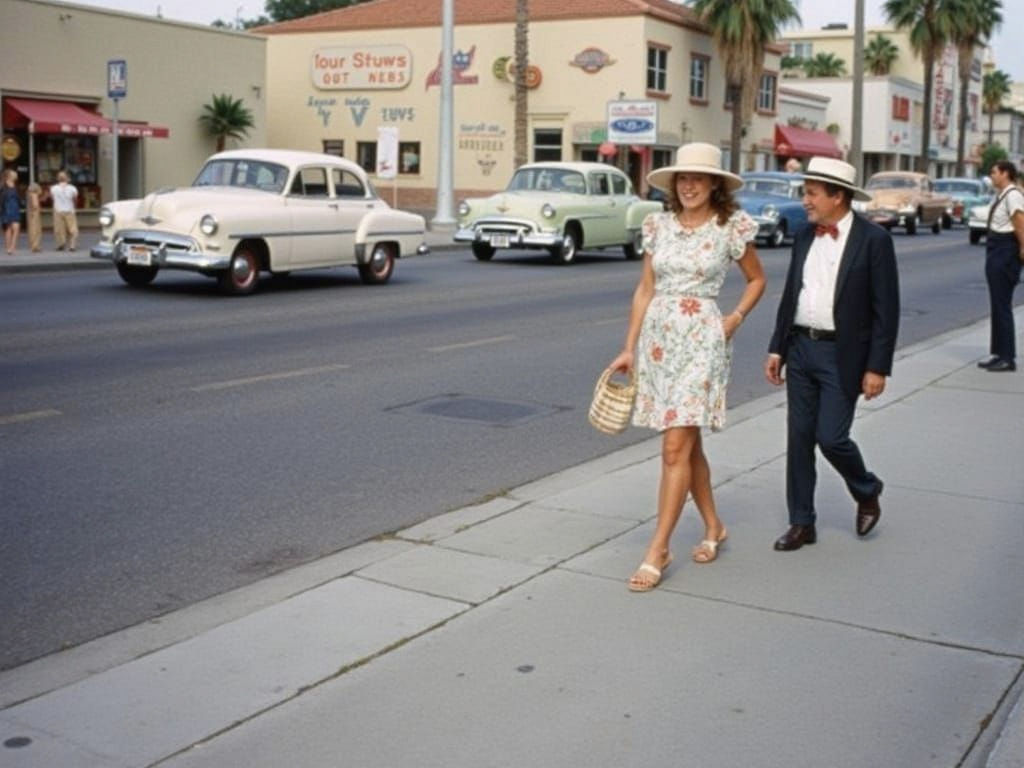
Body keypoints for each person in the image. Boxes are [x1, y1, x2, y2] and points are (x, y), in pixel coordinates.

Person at [606, 142, 766, 591]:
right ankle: (714, 526)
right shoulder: (658, 225)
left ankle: (658, 548)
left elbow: (757, 279)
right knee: (687, 446)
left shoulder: (730, 227)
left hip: (702, 341)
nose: (689, 185)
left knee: (675, 447)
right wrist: (629, 346)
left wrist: (733, 318)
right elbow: (644, 289)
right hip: (659, 343)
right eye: (683, 177)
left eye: (698, 177)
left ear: (715, 183)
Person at [764, 157, 900, 551]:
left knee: (831, 437)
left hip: (843, 355)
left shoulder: (874, 240)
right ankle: (801, 522)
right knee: (800, 438)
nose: (804, 200)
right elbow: (792, 294)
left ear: (837, 196)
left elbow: (885, 311)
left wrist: (877, 367)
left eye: (811, 193)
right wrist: (778, 347)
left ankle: (867, 488)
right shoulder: (806, 236)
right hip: (801, 348)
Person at [977, 160, 1024, 373]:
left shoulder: (1013, 195)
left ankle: (1007, 357)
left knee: (1002, 306)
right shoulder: (1003, 194)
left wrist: (1022, 249)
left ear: (1005, 173)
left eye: (994, 172)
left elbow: (1020, 224)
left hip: (1005, 251)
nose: (992, 175)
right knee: (997, 305)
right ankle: (998, 352)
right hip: (997, 248)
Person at [50, 170, 79, 251]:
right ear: (68, 178)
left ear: (58, 178)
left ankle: (61, 244)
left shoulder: (53, 188)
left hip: (58, 210)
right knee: (73, 228)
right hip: (69, 210)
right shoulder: (73, 188)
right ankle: (72, 245)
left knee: (59, 229)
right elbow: (75, 200)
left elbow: (53, 199)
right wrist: (73, 207)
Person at [2, 169, 21, 254]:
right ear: (10, 176)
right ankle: (8, 247)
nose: (16, 175)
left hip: (15, 208)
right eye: (14, 174)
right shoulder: (3, 186)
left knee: (16, 228)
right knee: (8, 229)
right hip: (6, 208)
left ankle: (12, 247)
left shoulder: (16, 186)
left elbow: (18, 198)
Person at [26, 182, 43, 253]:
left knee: (31, 230)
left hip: (30, 214)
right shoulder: (34, 195)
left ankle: (33, 245)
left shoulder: (29, 194)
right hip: (34, 214)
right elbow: (35, 205)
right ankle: (35, 246)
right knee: (36, 230)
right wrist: (38, 209)